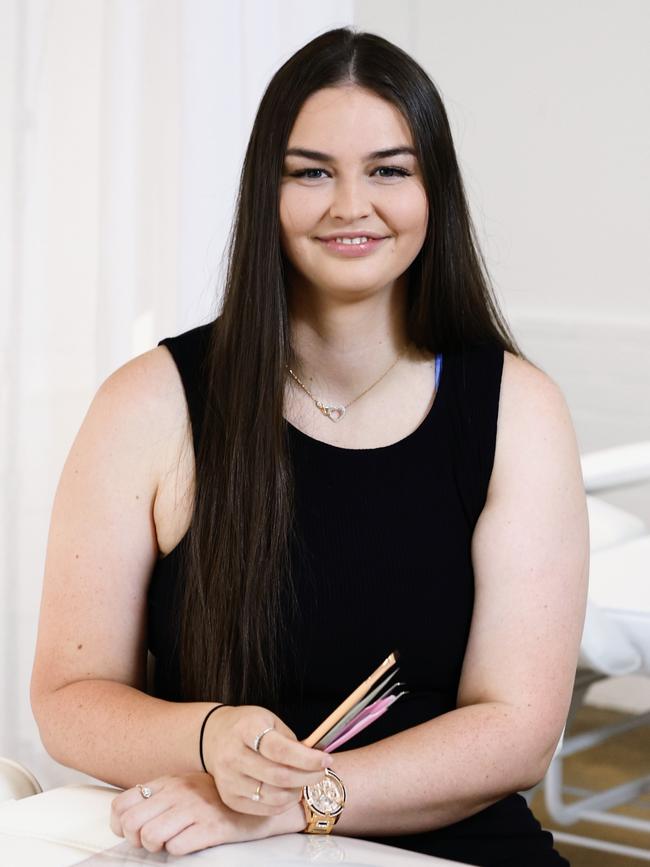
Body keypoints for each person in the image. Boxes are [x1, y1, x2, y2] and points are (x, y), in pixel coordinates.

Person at [30, 26, 588, 865]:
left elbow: (516, 734)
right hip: (206, 837)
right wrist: (208, 734)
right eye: (312, 171)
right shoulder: (149, 402)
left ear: (435, 190)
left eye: (389, 170)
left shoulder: (519, 408)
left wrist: (299, 803)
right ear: (269, 189)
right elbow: (68, 697)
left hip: (452, 844)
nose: (350, 205)